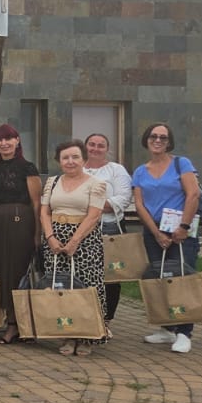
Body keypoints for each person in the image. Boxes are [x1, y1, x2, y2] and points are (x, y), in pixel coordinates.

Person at [132, 121, 202, 354]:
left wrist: (183, 227)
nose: (158, 141)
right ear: (146, 139)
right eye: (153, 136)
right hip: (154, 230)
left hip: (181, 229)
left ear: (169, 141)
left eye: (163, 137)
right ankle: (166, 328)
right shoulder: (140, 171)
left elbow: (193, 194)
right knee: (159, 279)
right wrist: (155, 232)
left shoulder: (182, 164)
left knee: (182, 279)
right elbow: (139, 204)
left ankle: (184, 332)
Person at [40, 140, 109, 356]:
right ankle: (67, 334)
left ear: (84, 159)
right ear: (59, 161)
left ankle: (87, 337)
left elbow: (94, 215)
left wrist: (74, 241)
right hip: (55, 240)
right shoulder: (52, 182)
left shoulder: (96, 183)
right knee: (62, 288)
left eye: (75, 157)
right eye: (65, 158)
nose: (70, 161)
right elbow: (44, 212)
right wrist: (50, 237)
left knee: (86, 287)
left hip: (84, 241)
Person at [0, 124, 42, 344]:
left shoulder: (27, 167)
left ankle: (16, 324)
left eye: (8, 139)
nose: (4, 144)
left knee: (16, 270)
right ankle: (7, 317)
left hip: (21, 222)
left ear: (17, 140)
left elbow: (36, 203)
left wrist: (37, 233)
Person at [84, 132, 133, 332]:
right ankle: (86, 317)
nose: (95, 148)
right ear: (86, 146)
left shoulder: (116, 170)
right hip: (82, 228)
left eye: (100, 145)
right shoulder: (78, 168)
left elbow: (123, 198)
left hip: (110, 228)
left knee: (110, 277)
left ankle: (106, 320)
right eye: (92, 144)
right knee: (85, 273)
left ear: (107, 149)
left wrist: (92, 205)